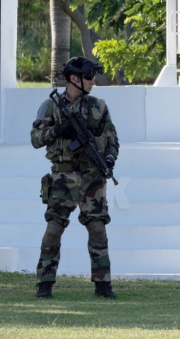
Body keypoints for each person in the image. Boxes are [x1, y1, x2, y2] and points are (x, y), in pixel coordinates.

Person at [30, 57, 119, 299]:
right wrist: (57, 130)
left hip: (92, 174)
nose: (92, 82)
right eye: (88, 78)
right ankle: (44, 283)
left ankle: (103, 285)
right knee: (54, 228)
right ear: (73, 79)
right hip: (63, 175)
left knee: (98, 228)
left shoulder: (98, 106)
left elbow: (112, 139)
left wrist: (109, 160)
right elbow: (36, 138)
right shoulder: (51, 106)